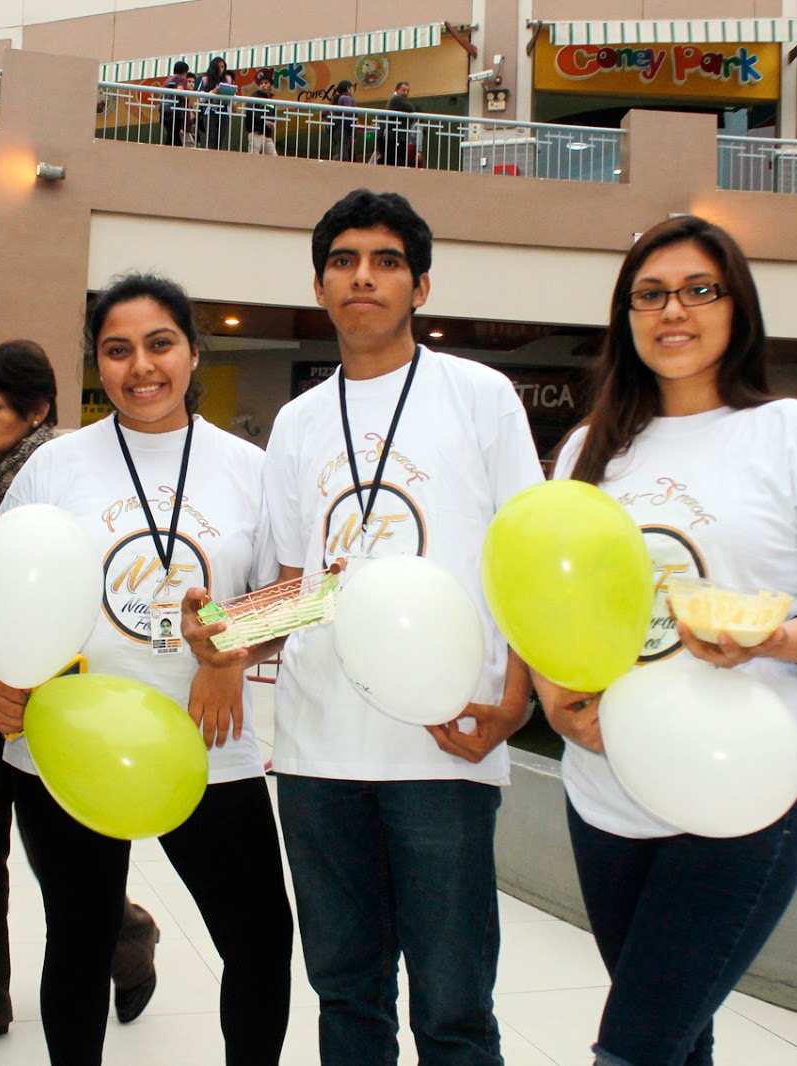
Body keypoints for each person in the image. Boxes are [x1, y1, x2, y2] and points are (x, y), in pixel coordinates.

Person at [192, 189, 540, 1065]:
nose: (363, 277)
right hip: (318, 753)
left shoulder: (481, 397)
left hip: (445, 738)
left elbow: (530, 562)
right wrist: (225, 633)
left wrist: (516, 701)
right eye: (343, 261)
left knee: (454, 1006)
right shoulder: (299, 421)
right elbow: (298, 588)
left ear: (421, 286)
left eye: (387, 261)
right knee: (346, 993)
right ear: (319, 286)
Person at [541, 213, 797, 1066]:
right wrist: (555, 698)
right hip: (608, 790)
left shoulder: (796, 435)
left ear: (738, 306)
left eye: (700, 290)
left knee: (633, 1048)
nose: (675, 311)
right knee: (678, 1038)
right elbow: (556, 601)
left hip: (745, 790)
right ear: (625, 316)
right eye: (651, 294)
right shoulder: (588, 451)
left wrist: (769, 639)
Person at [0, 274, 293, 1066]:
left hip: (208, 740)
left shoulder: (249, 467)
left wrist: (227, 651)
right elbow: (2, 578)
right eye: (117, 350)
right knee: (80, 939)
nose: (141, 367)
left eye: (160, 344)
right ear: (98, 363)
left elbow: (295, 596)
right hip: (70, 742)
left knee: (261, 940)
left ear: (193, 352)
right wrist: (1, 672)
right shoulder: (56, 466)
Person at [0, 340, 162, 1058]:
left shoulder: (70, 484)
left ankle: (129, 940)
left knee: (64, 870)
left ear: (37, 410)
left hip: (55, 706)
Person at [195, 56, 235, 150]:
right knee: (211, 138)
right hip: (209, 112)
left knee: (221, 139)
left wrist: (229, 93)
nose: (221, 69)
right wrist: (213, 92)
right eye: (219, 67)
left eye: (223, 67)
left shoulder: (228, 80)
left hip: (224, 112)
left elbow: (234, 99)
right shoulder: (205, 79)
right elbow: (201, 98)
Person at [377, 81, 417, 166]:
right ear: (397, 90)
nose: (406, 93)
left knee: (396, 162)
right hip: (394, 136)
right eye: (403, 90)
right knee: (395, 162)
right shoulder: (396, 99)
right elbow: (411, 109)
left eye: (407, 91)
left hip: (398, 136)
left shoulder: (397, 100)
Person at [244, 71, 277, 156]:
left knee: (274, 159)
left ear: (271, 86)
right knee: (253, 157)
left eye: (266, 83)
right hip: (256, 133)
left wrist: (273, 123)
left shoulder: (271, 100)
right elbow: (250, 113)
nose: (263, 85)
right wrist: (264, 122)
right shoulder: (254, 97)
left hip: (267, 135)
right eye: (261, 83)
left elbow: (272, 115)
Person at [159, 60, 191, 147]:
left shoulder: (168, 80)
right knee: (173, 136)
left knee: (172, 135)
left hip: (165, 110)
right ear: (185, 71)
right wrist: (186, 95)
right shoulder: (182, 79)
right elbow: (180, 91)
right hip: (176, 111)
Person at [329, 80, 357, 162]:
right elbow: (349, 114)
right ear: (348, 88)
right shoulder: (346, 98)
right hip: (344, 130)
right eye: (352, 88)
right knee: (343, 155)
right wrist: (352, 129)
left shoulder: (337, 99)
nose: (353, 90)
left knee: (343, 153)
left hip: (338, 129)